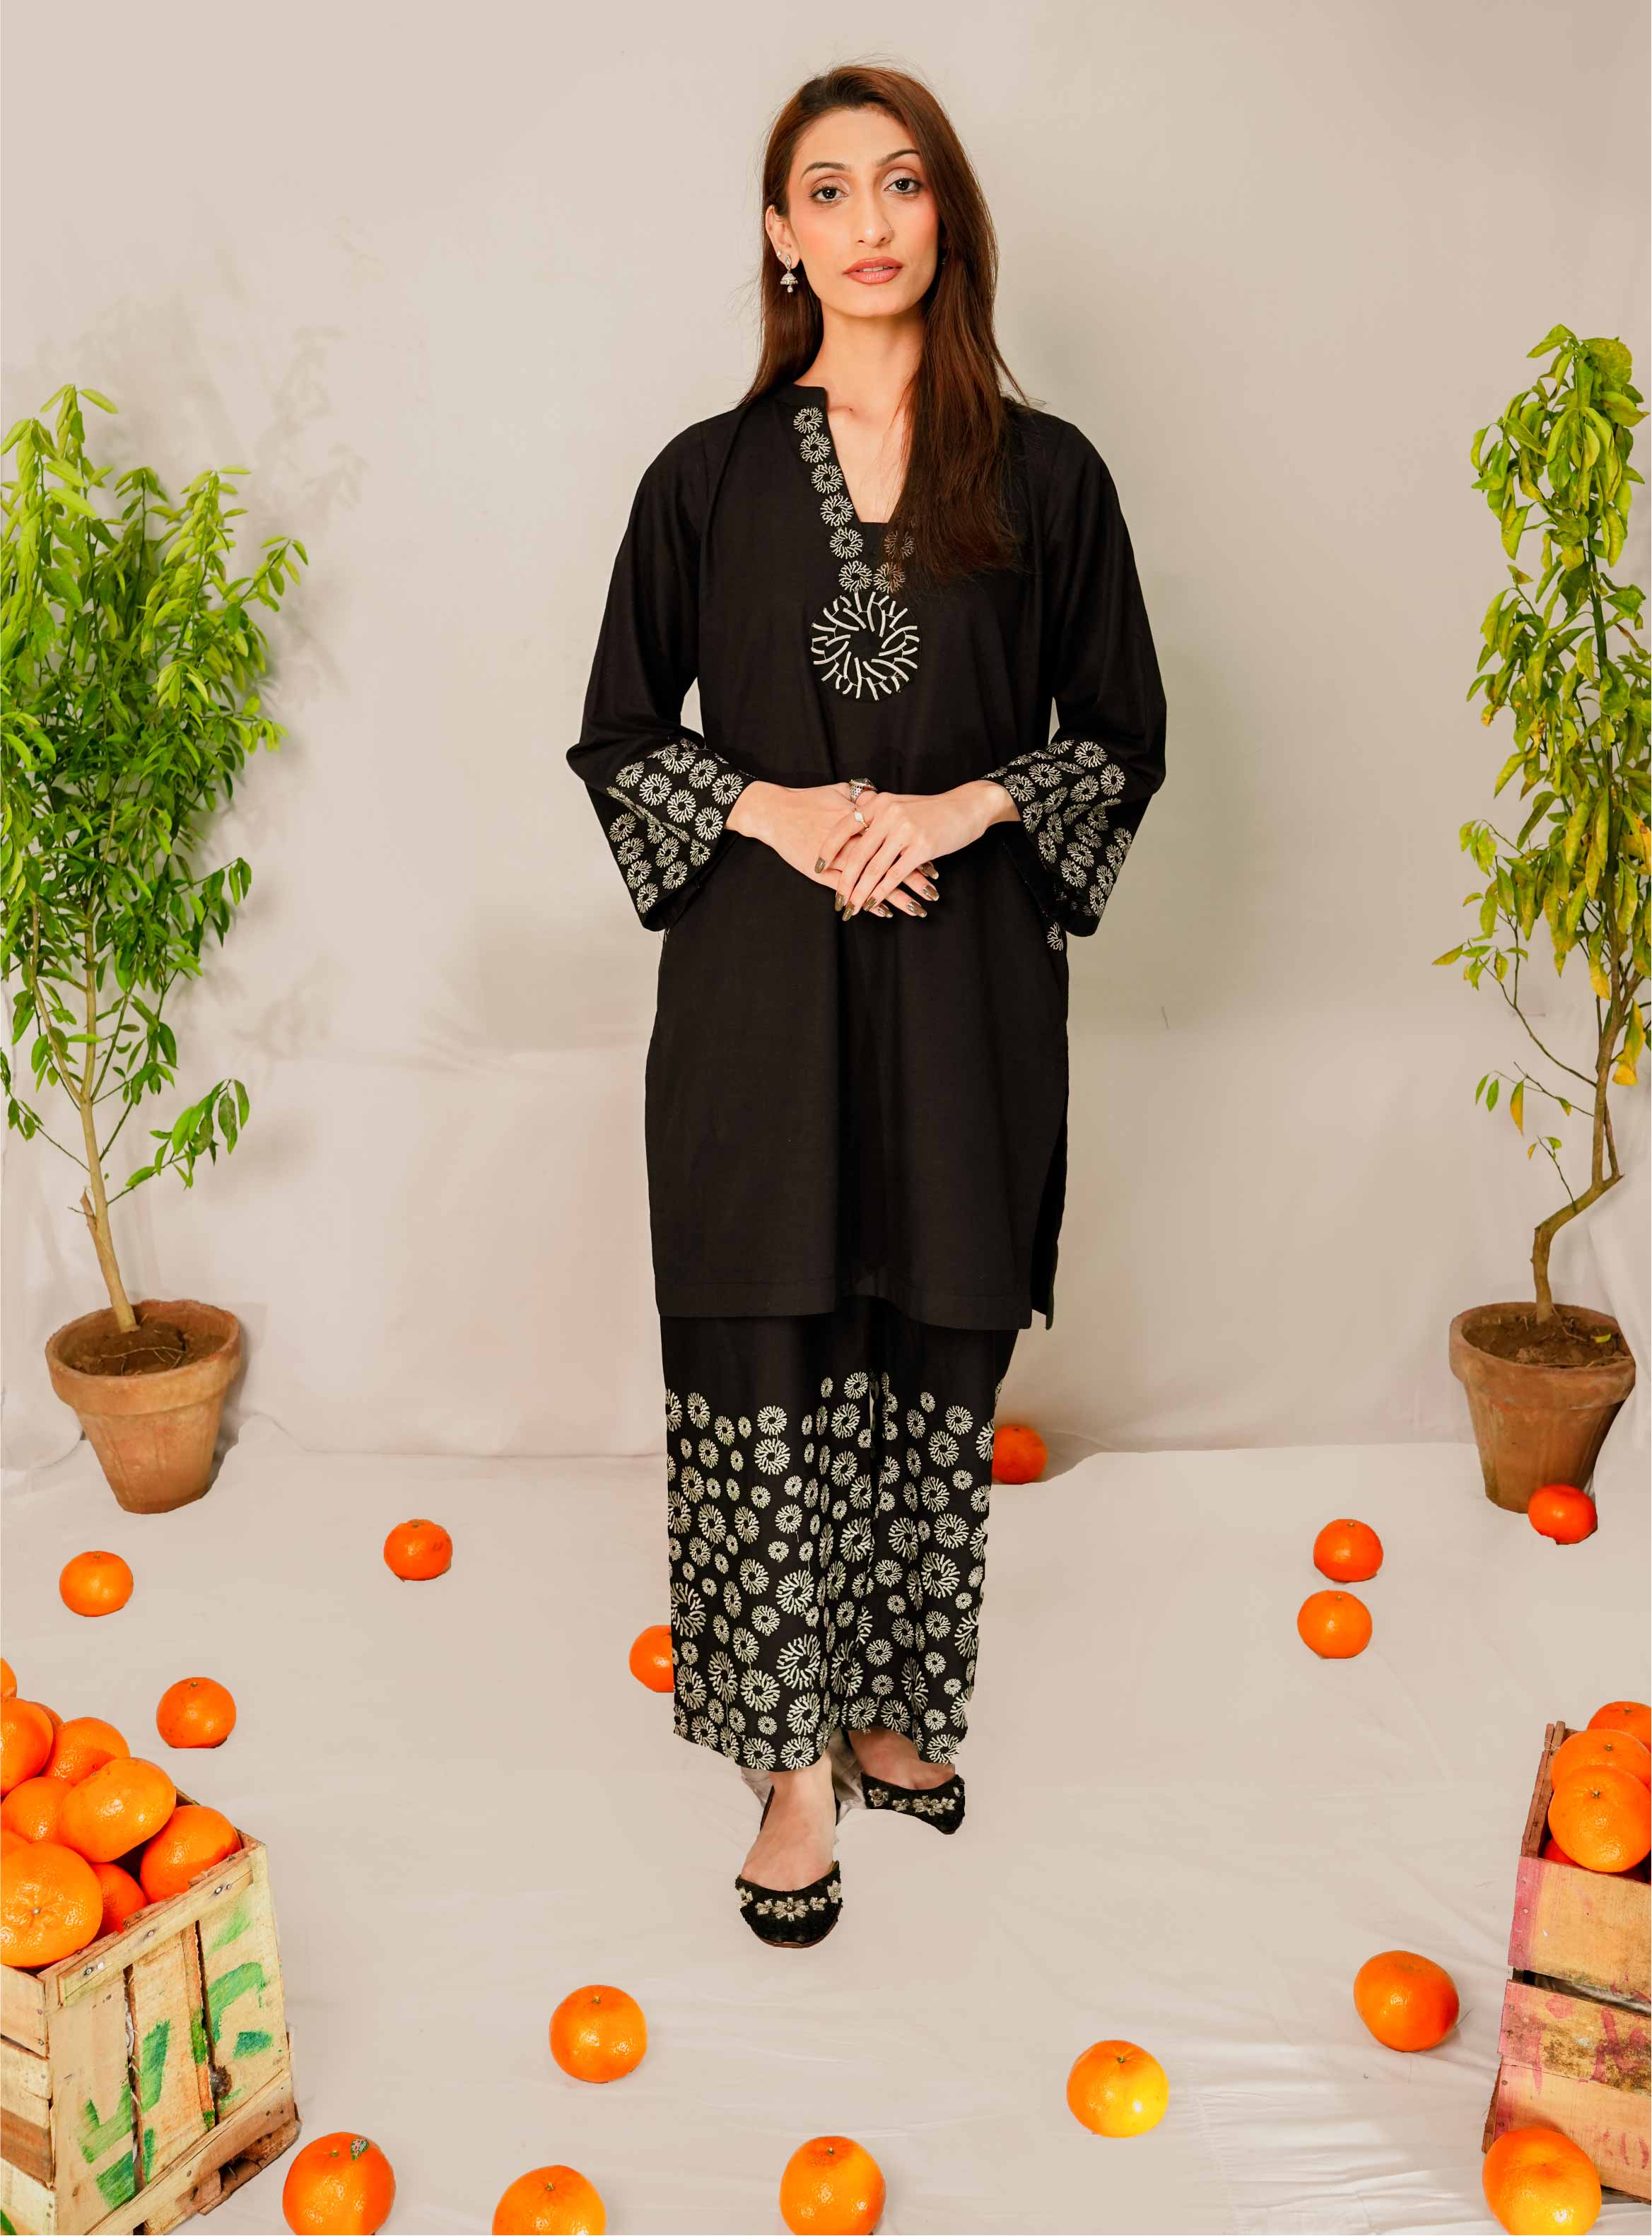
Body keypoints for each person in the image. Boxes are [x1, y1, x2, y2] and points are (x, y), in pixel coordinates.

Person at [568, 63, 1168, 1948]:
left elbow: (1119, 733)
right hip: (757, 986)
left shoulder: (1047, 473)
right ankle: (788, 1767)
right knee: (762, 1344)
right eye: (826, 191)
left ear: (945, 216)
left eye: (901, 184)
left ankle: (899, 1706)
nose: (868, 222)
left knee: (933, 1335)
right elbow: (614, 734)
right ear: (780, 235)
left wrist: (955, 804)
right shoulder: (706, 477)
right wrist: (777, 809)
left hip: (963, 979)